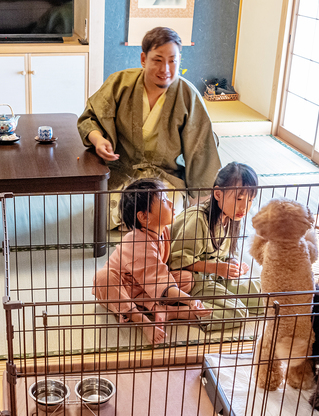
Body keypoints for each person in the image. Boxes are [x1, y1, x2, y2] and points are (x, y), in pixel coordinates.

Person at [78, 26, 221, 229]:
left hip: (166, 177)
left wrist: (200, 203)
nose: (166, 69)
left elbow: (202, 148)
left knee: (167, 220)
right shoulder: (119, 83)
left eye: (173, 60)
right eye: (158, 60)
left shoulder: (188, 95)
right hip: (124, 172)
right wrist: (98, 139)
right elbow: (89, 118)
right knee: (107, 217)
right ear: (143, 59)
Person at [93, 178, 211, 345]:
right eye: (163, 200)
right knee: (103, 279)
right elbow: (158, 280)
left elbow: (160, 274)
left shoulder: (164, 233)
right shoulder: (136, 242)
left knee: (186, 278)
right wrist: (190, 300)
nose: (170, 202)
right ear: (144, 217)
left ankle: (165, 311)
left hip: (146, 285)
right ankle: (142, 319)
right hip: (124, 286)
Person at [168, 162, 262, 331]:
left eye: (250, 200)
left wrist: (232, 262)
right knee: (238, 312)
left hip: (215, 276)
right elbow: (177, 260)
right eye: (239, 199)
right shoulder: (198, 219)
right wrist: (216, 268)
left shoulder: (232, 216)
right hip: (193, 280)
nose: (244, 207)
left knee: (264, 293)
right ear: (218, 194)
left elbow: (226, 252)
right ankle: (173, 311)